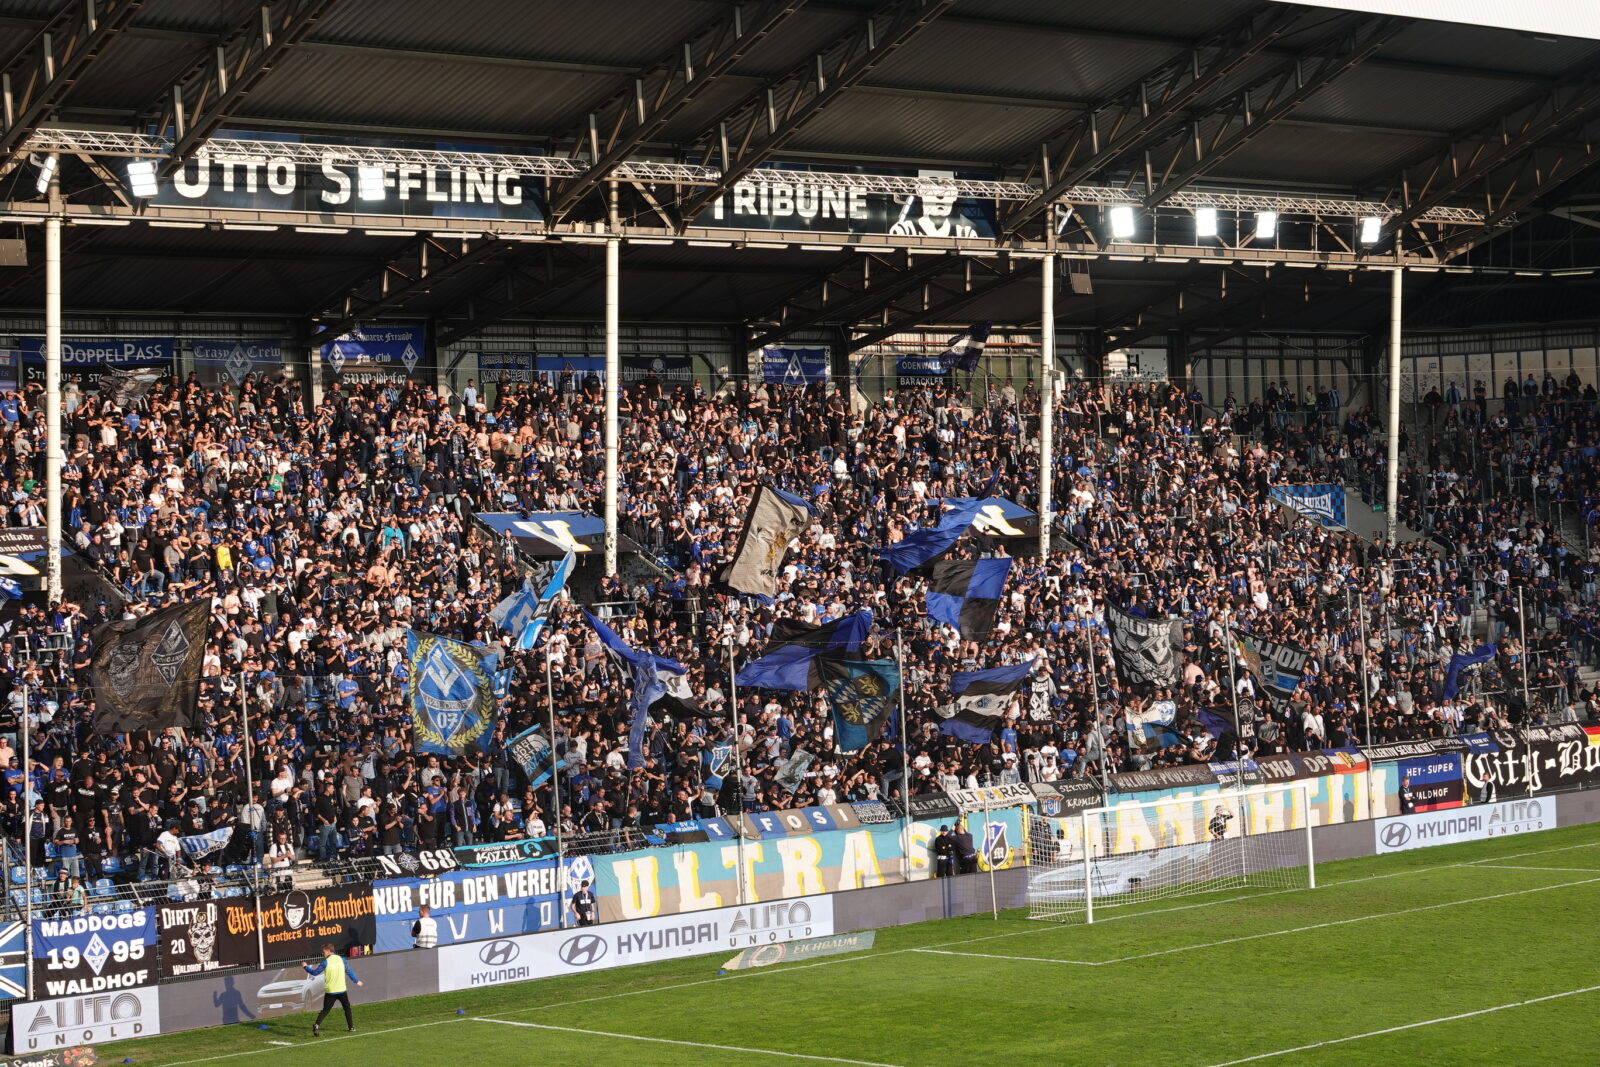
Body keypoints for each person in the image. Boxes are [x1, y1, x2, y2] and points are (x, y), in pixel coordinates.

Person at [305, 943, 362, 1036]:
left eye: (323, 952)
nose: (322, 954)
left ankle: (316, 1025)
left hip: (331, 991)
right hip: (341, 990)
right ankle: (351, 1027)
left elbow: (315, 972)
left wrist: (305, 967)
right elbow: (349, 971)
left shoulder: (325, 962)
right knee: (347, 1008)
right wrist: (356, 981)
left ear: (328, 951)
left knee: (326, 1010)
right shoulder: (342, 959)